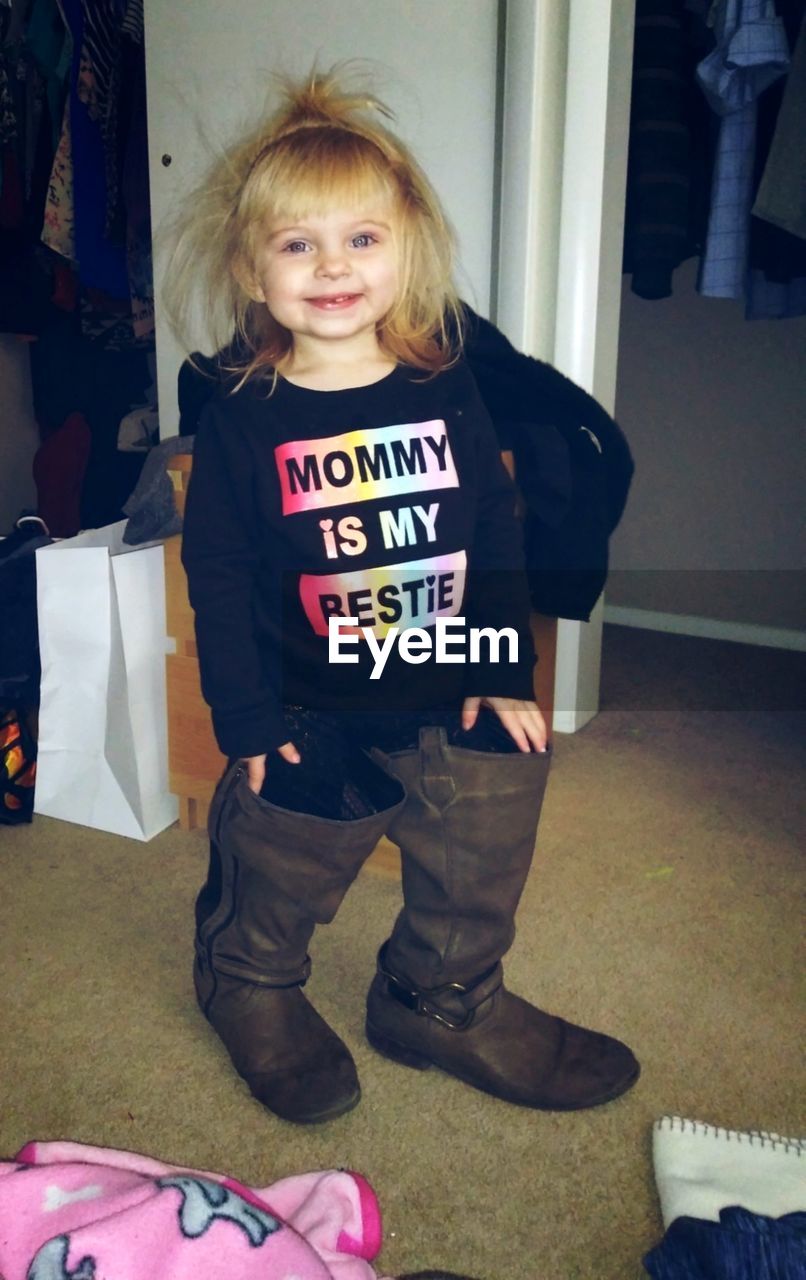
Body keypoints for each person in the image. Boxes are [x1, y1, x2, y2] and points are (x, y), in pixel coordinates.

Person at [165, 66, 640, 1125]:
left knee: (496, 767)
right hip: (304, 697)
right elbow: (223, 575)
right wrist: (241, 719)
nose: (332, 266)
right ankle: (246, 973)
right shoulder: (245, 419)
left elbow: (485, 529)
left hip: (433, 674)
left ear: (406, 249)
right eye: (298, 244)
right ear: (254, 266)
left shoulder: (443, 384)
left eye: (361, 239)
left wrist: (499, 667)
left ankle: (439, 992)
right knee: (288, 833)